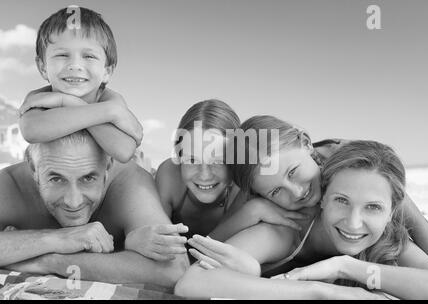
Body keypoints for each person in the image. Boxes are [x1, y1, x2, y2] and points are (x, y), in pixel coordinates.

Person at [175, 140, 428, 299]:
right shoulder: (284, 231)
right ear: (323, 195)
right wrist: (317, 291)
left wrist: (347, 267)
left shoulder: (384, 236)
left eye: (373, 207)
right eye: (341, 201)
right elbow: (192, 282)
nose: (354, 223)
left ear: (391, 212)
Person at [212, 115, 428, 267]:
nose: (296, 192)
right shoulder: (256, 184)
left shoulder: (343, 160)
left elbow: (411, 216)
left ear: (306, 143)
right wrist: (251, 211)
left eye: (293, 172)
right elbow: (209, 244)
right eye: (276, 192)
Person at [0, 130, 189, 289]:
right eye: (56, 179)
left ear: (107, 166)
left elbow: (173, 269)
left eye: (88, 178)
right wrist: (57, 239)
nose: (73, 202)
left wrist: (49, 261)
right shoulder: (9, 185)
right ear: (33, 168)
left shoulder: (130, 182)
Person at [19, 6, 143, 163]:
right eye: (62, 55)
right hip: (54, 178)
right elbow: (31, 131)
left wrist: (67, 102)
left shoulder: (110, 99)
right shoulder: (39, 98)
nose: (75, 65)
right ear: (43, 67)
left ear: (107, 71)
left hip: (106, 179)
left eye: (89, 56)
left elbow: (124, 151)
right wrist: (108, 112)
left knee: (138, 181)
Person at [154, 100, 262, 260]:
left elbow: (225, 254)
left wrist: (253, 210)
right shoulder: (170, 175)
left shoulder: (242, 187)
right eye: (192, 160)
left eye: (218, 162)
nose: (204, 175)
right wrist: (250, 214)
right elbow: (160, 245)